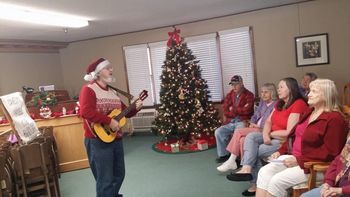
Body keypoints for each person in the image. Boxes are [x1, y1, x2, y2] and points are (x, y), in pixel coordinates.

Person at [255, 78, 348, 197]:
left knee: (276, 181)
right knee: (264, 172)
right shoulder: (310, 112)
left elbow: (332, 152)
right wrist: (281, 151)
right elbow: (294, 136)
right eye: (309, 91)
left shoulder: (335, 119)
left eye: (313, 91)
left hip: (314, 166)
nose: (308, 94)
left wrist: (300, 160)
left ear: (326, 95)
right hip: (295, 158)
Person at [226, 78, 308, 189]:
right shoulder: (280, 103)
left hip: (284, 141)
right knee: (250, 137)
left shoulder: (298, 104)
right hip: (271, 135)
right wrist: (265, 134)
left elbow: (289, 132)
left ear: (291, 89)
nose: (278, 90)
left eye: (281, 87)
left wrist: (269, 134)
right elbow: (268, 121)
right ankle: (246, 169)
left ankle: (257, 184)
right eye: (278, 87)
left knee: (255, 151)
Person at [79, 58, 143, 197]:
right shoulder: (89, 89)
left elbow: (124, 113)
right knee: (105, 179)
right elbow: (85, 112)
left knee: (119, 174)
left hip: (116, 138)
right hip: (97, 141)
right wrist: (108, 121)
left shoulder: (113, 92)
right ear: (98, 72)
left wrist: (135, 108)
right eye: (107, 67)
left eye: (110, 67)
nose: (111, 70)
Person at [217, 83, 277, 172]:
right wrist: (252, 122)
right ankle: (244, 166)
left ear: (272, 93)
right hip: (255, 127)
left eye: (266, 92)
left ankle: (231, 160)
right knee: (242, 140)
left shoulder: (276, 104)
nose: (263, 95)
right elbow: (255, 115)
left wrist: (258, 125)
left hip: (264, 130)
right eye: (261, 92)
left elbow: (271, 120)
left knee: (238, 132)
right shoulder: (263, 102)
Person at [214, 75, 254, 163]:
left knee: (238, 132)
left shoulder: (249, 94)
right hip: (230, 121)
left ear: (242, 84)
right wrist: (238, 109)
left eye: (236, 84)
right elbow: (226, 110)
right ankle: (224, 155)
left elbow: (247, 110)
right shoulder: (229, 95)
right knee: (218, 132)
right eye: (232, 84)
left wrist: (234, 108)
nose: (234, 86)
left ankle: (235, 157)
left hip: (243, 121)